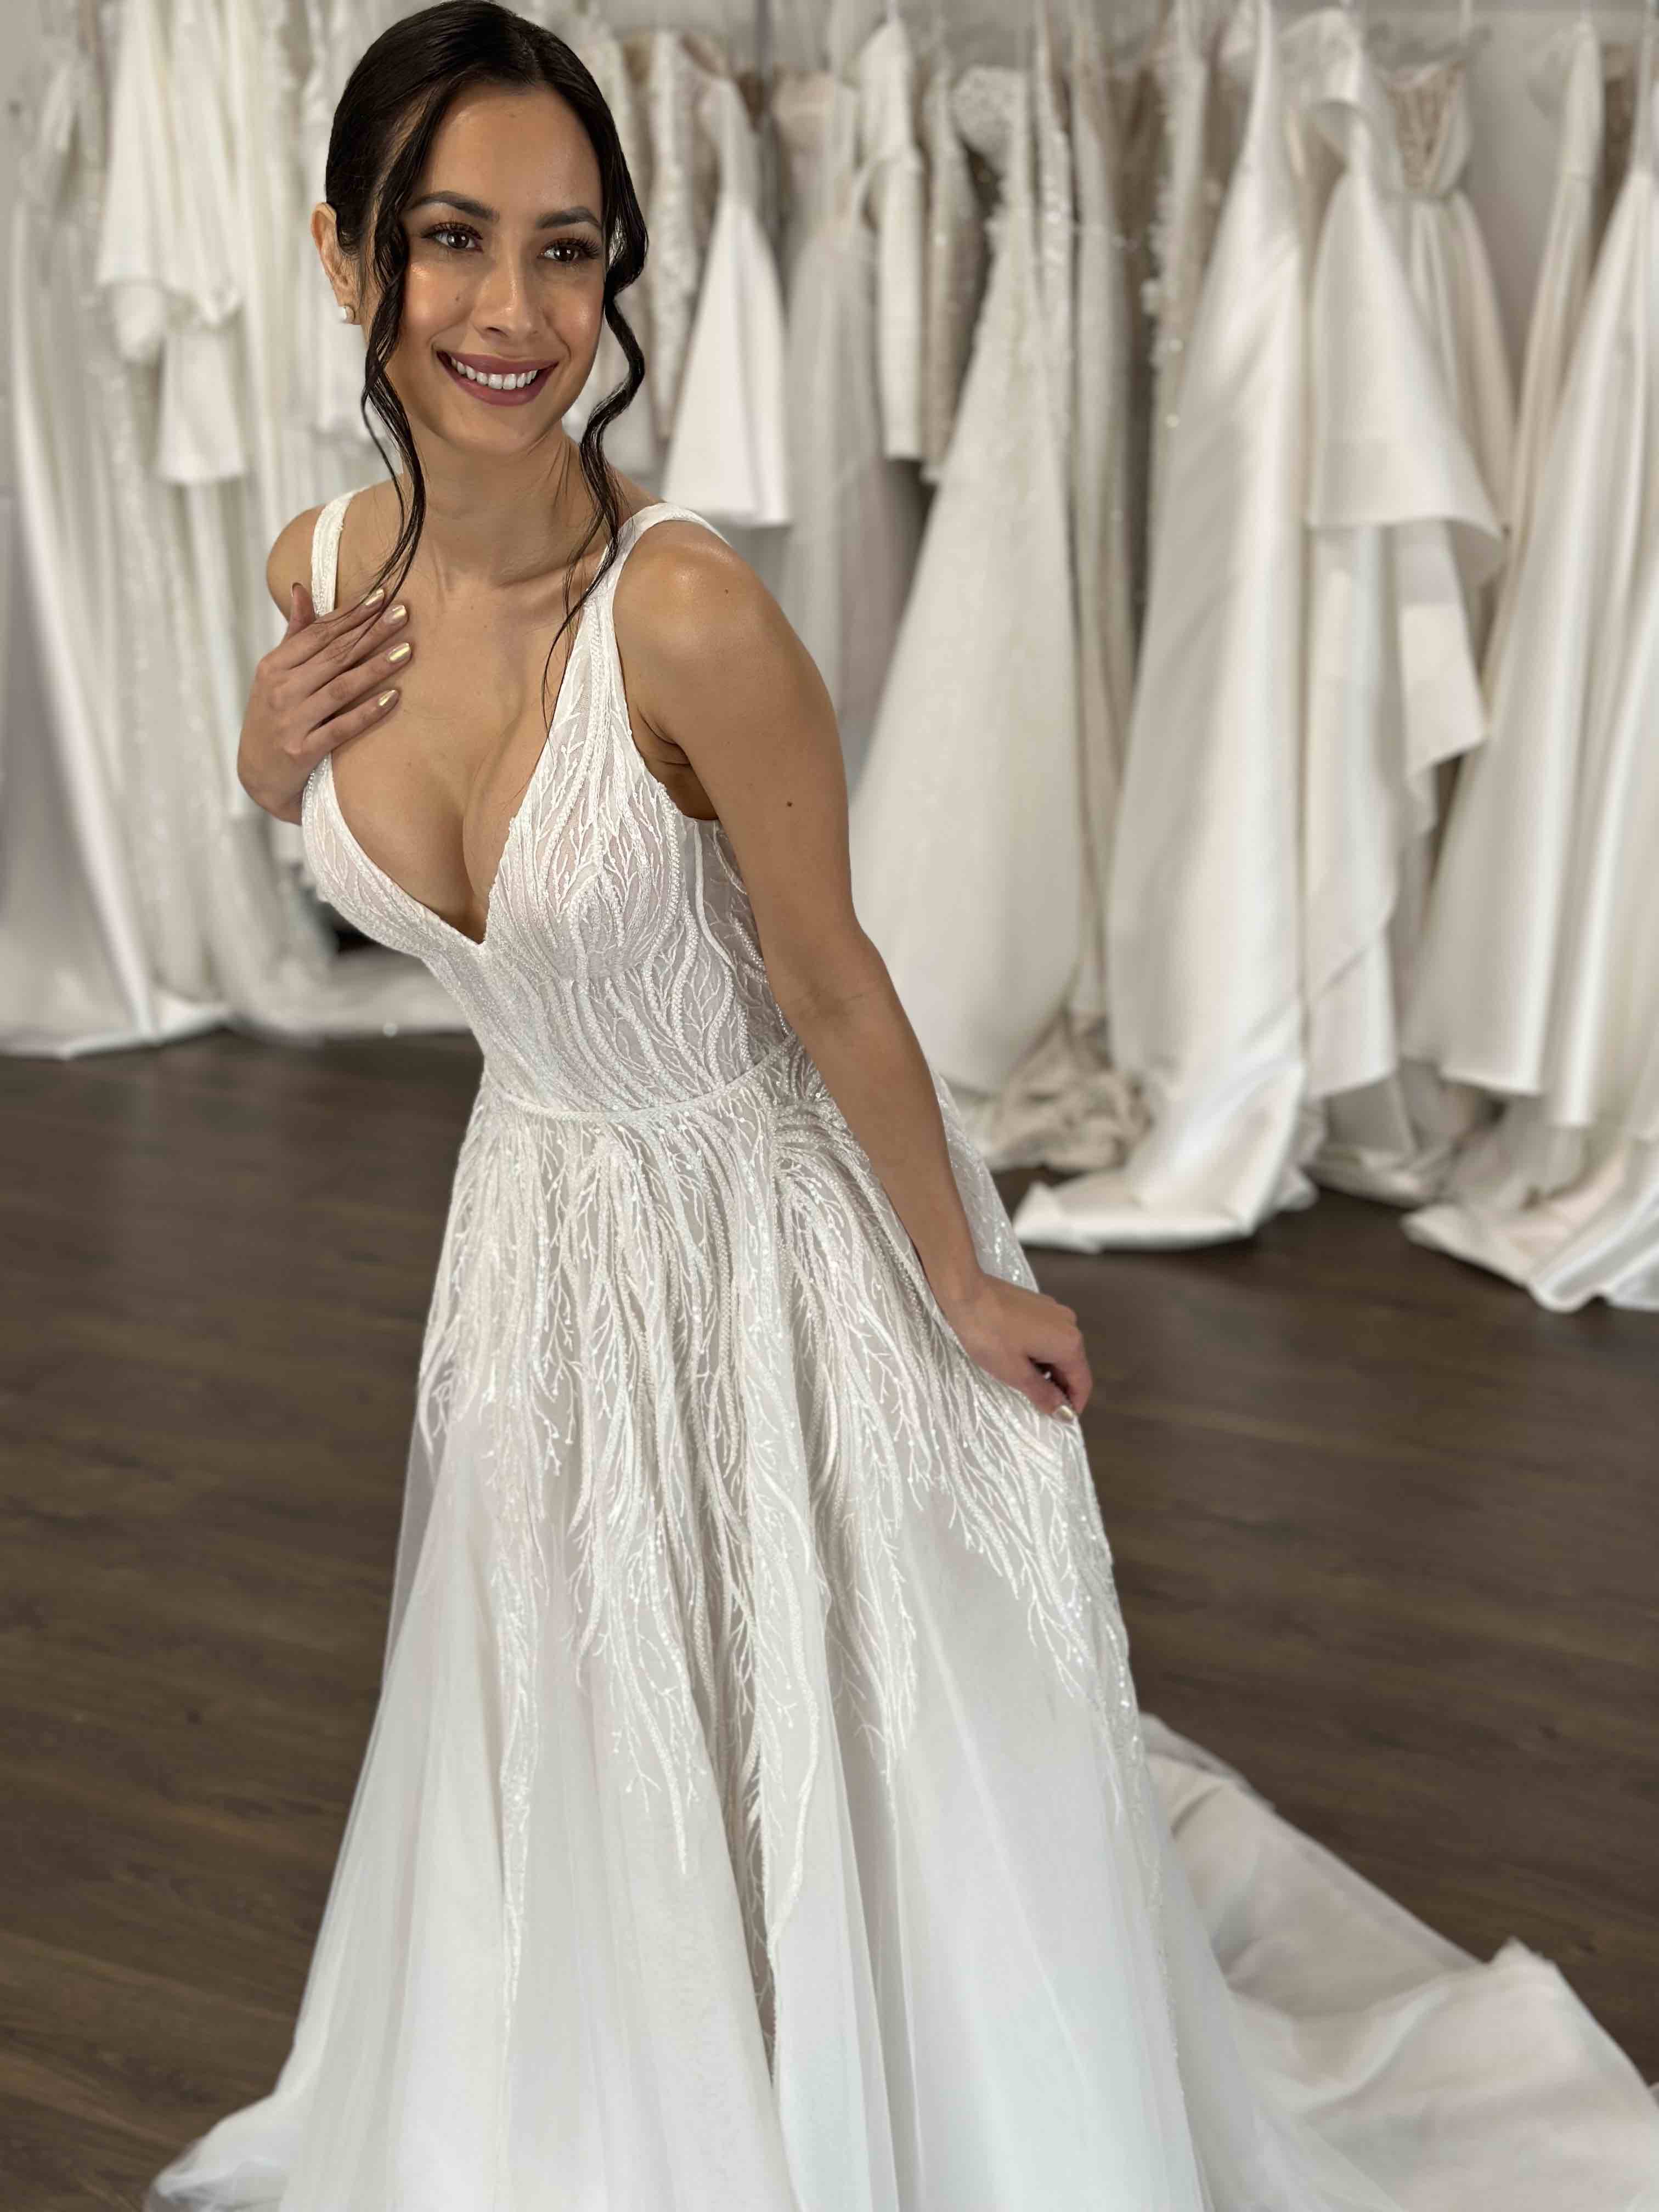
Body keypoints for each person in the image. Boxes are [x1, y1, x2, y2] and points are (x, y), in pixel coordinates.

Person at [147, 9, 1659, 2210]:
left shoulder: (687, 616)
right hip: (535, 1245)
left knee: (811, 1735)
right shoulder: (313, 576)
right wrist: (264, 759)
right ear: (344, 252)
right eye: (454, 240)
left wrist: (959, 1273)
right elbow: (321, 833)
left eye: (569, 254)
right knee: (591, 1720)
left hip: (773, 1243)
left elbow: (832, 979)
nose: (512, 311)